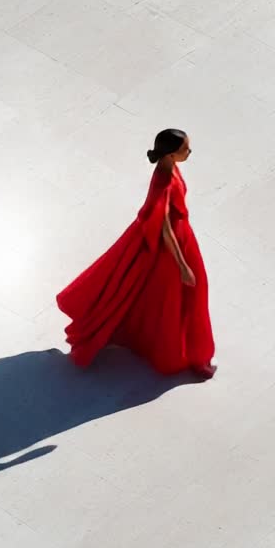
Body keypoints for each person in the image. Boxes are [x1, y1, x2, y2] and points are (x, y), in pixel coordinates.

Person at [56, 129, 216, 379]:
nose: (189, 152)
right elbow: (163, 227)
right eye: (186, 148)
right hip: (171, 246)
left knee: (172, 297)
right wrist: (182, 264)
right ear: (172, 154)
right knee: (177, 299)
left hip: (183, 236)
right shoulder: (164, 177)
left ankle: (188, 351)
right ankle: (182, 354)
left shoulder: (170, 165)